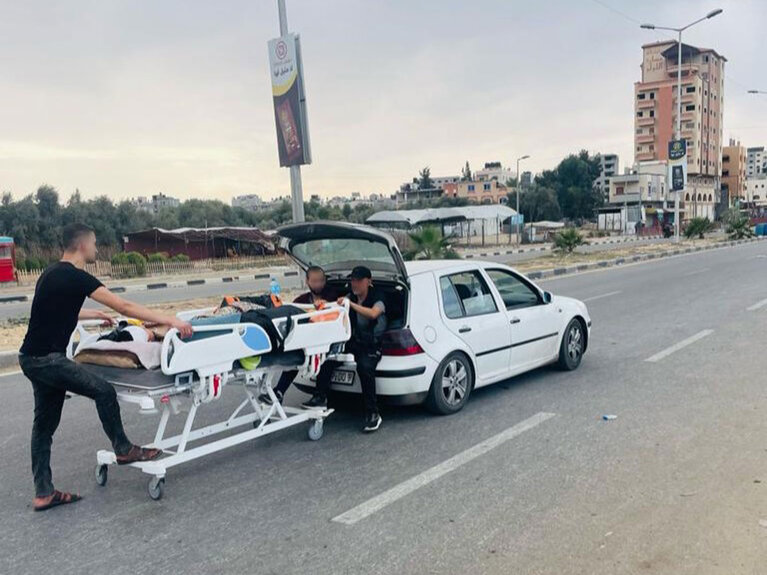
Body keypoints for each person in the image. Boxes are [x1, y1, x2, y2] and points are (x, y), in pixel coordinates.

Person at [19, 223, 193, 512]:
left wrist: (93, 313)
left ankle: (44, 492)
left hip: (31, 357)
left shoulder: (50, 274)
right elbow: (124, 307)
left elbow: (57, 308)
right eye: (95, 243)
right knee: (103, 391)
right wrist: (170, 320)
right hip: (48, 359)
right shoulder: (77, 277)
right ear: (83, 245)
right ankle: (123, 449)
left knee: (44, 427)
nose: (97, 249)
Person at [302, 265, 386, 433]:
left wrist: (351, 304)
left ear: (368, 281)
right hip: (354, 340)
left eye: (358, 280)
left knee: (365, 368)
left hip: (372, 343)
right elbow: (337, 308)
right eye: (352, 280)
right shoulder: (350, 296)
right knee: (330, 355)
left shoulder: (378, 296)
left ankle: (373, 414)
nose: (354, 284)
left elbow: (373, 314)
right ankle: (320, 397)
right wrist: (324, 305)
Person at [258, 265, 336, 405]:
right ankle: (279, 392)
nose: (318, 284)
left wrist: (327, 305)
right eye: (315, 281)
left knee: (325, 358)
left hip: (328, 340)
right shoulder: (301, 301)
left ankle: (320, 396)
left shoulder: (332, 296)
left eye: (321, 281)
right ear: (307, 281)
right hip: (307, 341)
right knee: (296, 356)